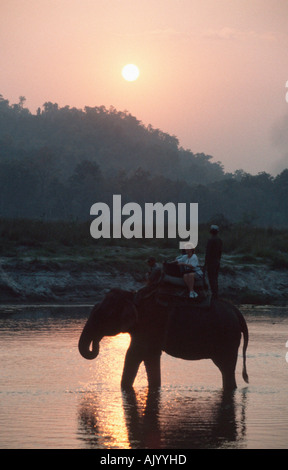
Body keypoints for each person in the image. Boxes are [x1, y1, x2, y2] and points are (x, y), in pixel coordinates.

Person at [204, 225, 223, 300]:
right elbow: (220, 252)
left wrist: (205, 264)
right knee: (215, 278)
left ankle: (213, 295)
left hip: (211, 262)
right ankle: (216, 294)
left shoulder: (210, 240)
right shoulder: (219, 240)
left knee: (211, 278)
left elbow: (208, 253)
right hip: (217, 262)